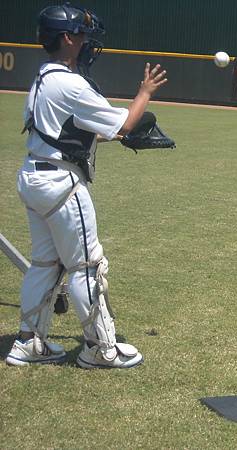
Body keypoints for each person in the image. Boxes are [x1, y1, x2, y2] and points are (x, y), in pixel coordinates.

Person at [6, 4, 167, 368]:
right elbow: (125, 123)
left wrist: (109, 137)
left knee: (45, 264)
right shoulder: (70, 83)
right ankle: (101, 349)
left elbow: (64, 134)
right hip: (61, 185)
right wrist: (145, 92)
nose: (86, 42)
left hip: (34, 177)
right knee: (86, 266)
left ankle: (29, 343)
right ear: (66, 38)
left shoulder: (42, 78)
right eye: (81, 34)